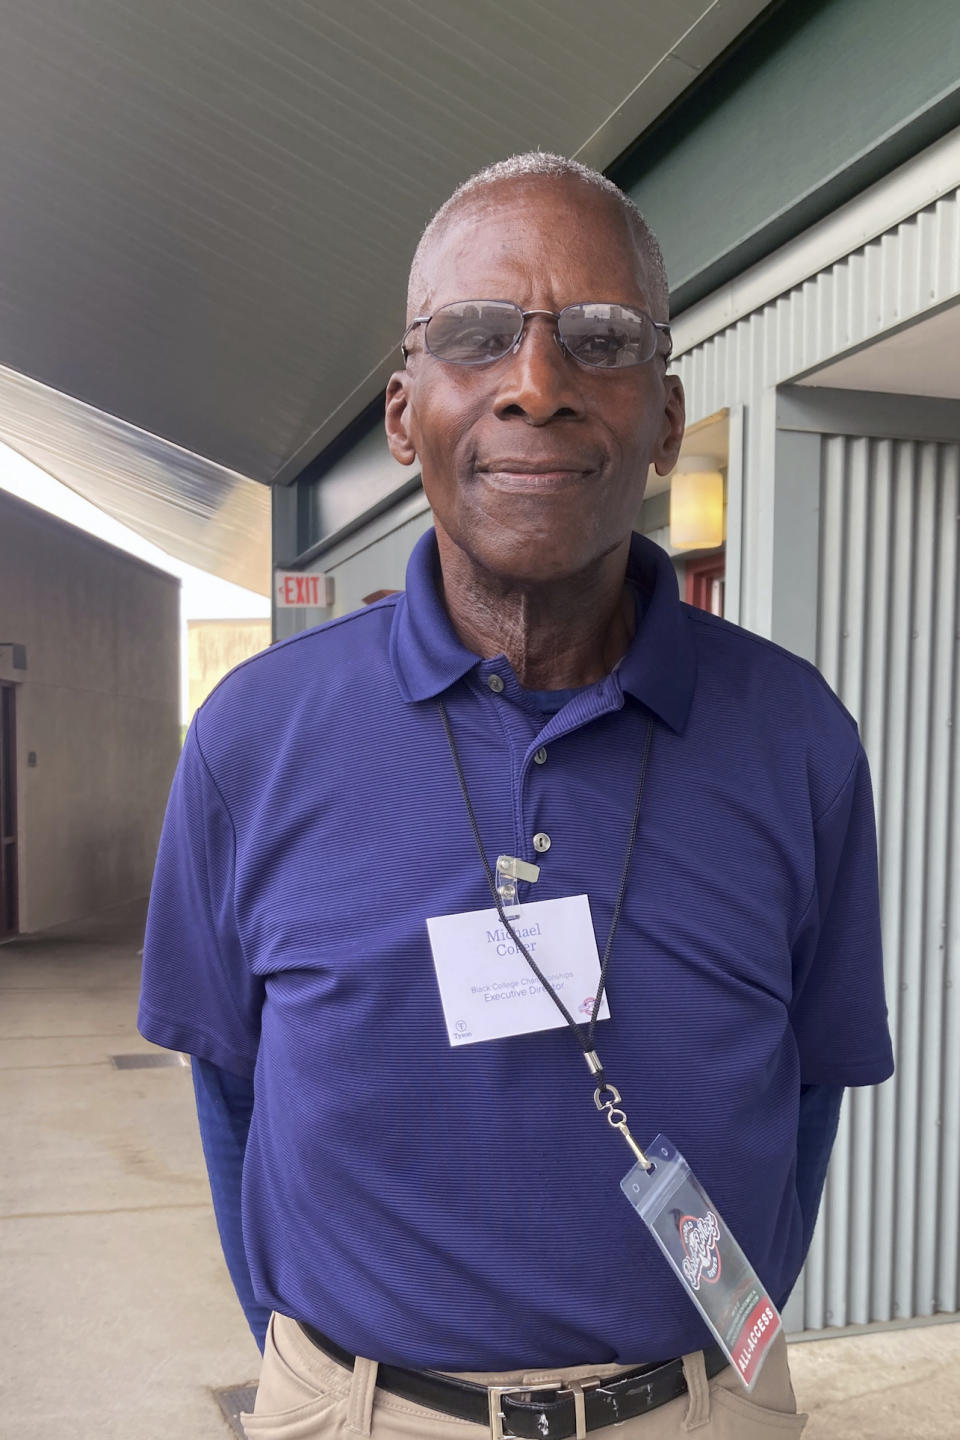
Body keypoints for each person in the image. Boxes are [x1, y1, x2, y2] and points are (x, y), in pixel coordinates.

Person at [139, 153, 894, 1438]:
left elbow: (810, 1091)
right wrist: (323, 1378)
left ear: (664, 419)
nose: (535, 387)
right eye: (477, 338)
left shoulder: (797, 740)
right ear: (401, 413)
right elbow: (233, 1093)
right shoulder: (251, 741)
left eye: (599, 340)